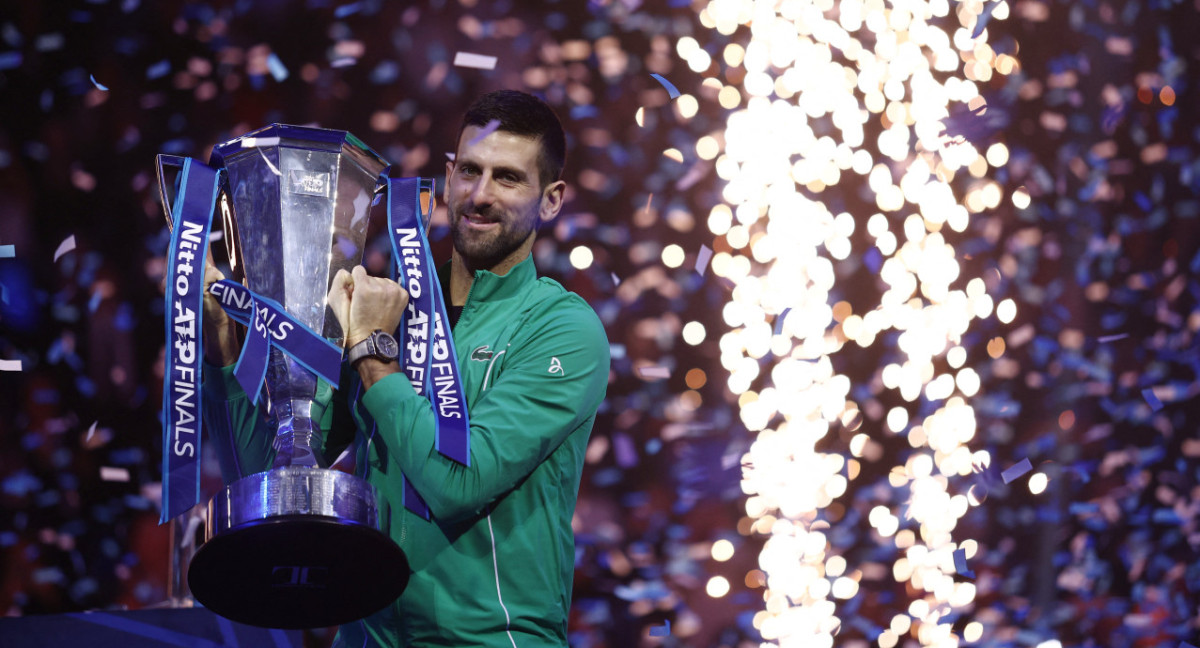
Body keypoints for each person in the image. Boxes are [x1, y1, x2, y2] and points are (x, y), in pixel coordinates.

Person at [200, 90, 610, 647]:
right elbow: (273, 475)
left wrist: (370, 347)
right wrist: (222, 343)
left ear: (552, 199)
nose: (480, 195)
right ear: (446, 175)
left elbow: (458, 482)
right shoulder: (391, 301)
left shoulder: (562, 329)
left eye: (509, 178)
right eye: (469, 170)